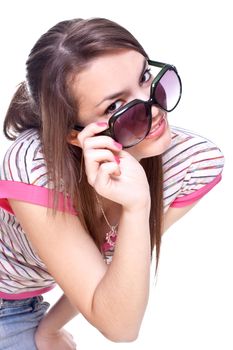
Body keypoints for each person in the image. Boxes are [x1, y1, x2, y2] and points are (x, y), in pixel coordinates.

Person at [0, 17, 224, 350]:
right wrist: (136, 208)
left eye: (145, 77)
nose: (153, 107)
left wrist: (49, 328)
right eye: (116, 105)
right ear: (73, 134)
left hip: (26, 303)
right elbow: (119, 327)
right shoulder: (34, 167)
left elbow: (115, 278)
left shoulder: (193, 164)